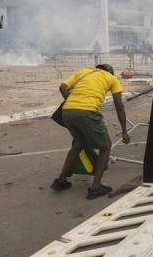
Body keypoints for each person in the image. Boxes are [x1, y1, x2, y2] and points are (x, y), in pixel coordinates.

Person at [50, 64, 130, 200]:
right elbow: (119, 105)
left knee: (78, 144)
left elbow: (62, 87)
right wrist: (124, 131)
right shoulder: (111, 78)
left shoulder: (84, 71)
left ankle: (60, 181)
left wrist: (73, 103)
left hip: (67, 111)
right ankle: (95, 188)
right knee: (105, 147)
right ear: (110, 72)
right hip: (87, 112)